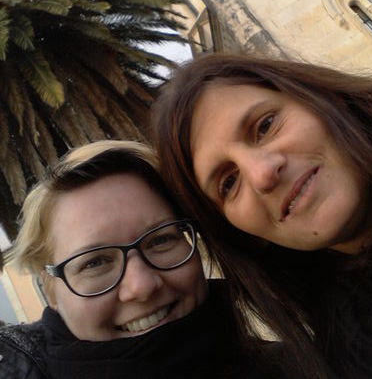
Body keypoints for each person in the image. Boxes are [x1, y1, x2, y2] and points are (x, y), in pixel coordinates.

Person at [152, 52, 372, 379]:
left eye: (265, 126)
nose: (262, 174)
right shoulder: (336, 352)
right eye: (229, 183)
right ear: (244, 235)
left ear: (321, 99)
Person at [0, 140, 285, 379]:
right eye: (95, 262)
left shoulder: (296, 365)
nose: (142, 286)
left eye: (160, 240)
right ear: (51, 290)